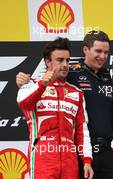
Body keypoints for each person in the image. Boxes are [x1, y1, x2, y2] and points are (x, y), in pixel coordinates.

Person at [16, 31, 113, 179]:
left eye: (106, 52)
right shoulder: (71, 72)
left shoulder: (106, 76)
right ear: (85, 50)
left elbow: (109, 116)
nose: (102, 56)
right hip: (74, 152)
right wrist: (24, 80)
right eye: (98, 51)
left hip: (105, 150)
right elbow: (47, 79)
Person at [16, 37, 93, 179]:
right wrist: (42, 84)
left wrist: (87, 160)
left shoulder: (76, 92)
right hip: (42, 156)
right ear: (47, 62)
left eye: (67, 60)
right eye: (60, 60)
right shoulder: (31, 85)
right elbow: (23, 104)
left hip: (69, 157)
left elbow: (82, 130)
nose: (65, 64)